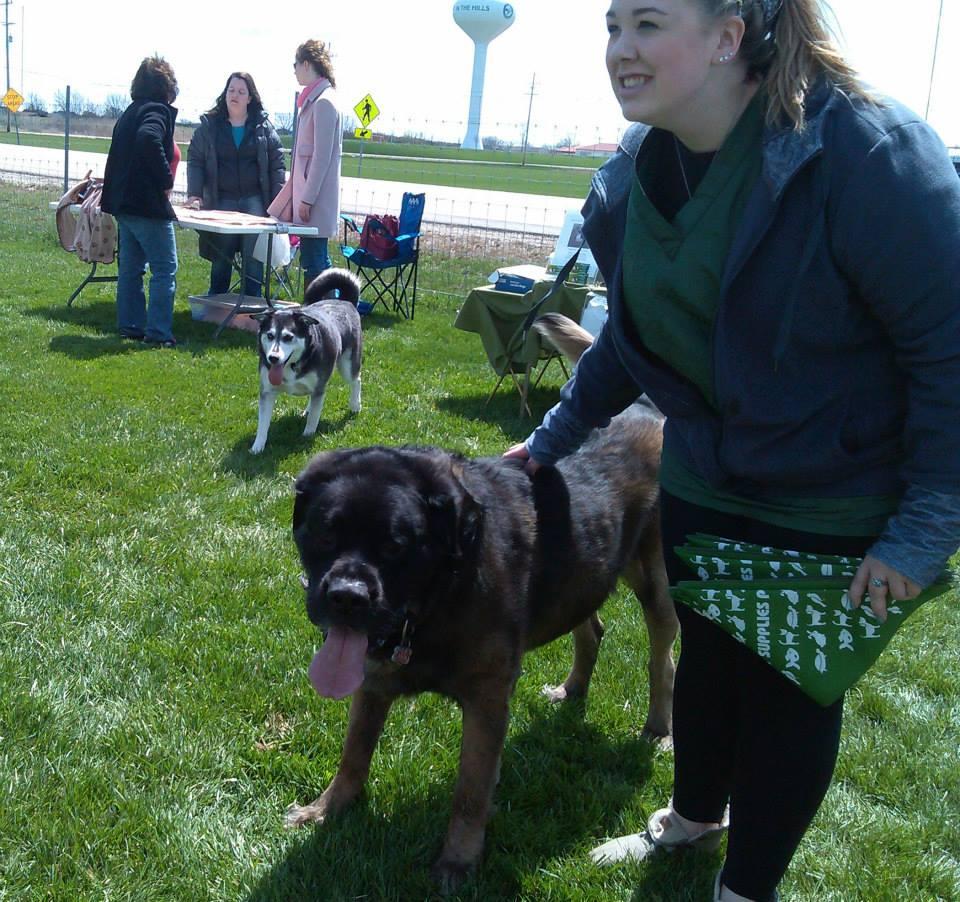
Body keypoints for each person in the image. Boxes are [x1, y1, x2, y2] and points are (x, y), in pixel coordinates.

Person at [504, 1, 960, 899]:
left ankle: (745, 885)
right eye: (610, 27)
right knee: (709, 660)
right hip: (706, 478)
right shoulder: (634, 173)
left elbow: (947, 351)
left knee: (788, 691)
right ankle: (692, 820)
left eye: (646, 23)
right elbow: (637, 340)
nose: (618, 50)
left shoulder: (867, 155)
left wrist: (923, 528)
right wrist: (550, 442)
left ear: (728, 35)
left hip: (832, 493)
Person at [101, 55, 181, 347]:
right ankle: (159, 334)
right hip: (146, 205)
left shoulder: (131, 111)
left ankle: (131, 325)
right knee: (164, 269)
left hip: (124, 204)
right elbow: (149, 139)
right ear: (167, 87)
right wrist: (166, 180)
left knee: (131, 270)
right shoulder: (156, 111)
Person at [186, 72, 285, 298]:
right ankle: (216, 299)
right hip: (222, 199)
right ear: (225, 93)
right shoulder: (209, 127)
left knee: (253, 255)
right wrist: (194, 194)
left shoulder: (263, 127)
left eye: (241, 92)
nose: (235, 96)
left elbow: (277, 165)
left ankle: (252, 303)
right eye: (231, 90)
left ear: (250, 98)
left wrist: (277, 203)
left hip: (254, 200)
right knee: (222, 254)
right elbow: (195, 160)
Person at [268, 39, 343, 295]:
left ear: (307, 64)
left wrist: (307, 200)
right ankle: (323, 313)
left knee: (316, 262)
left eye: (296, 64)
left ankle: (324, 315)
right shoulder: (316, 100)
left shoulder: (323, 102)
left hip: (315, 200)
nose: (294, 69)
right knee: (314, 260)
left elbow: (321, 158)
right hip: (309, 198)